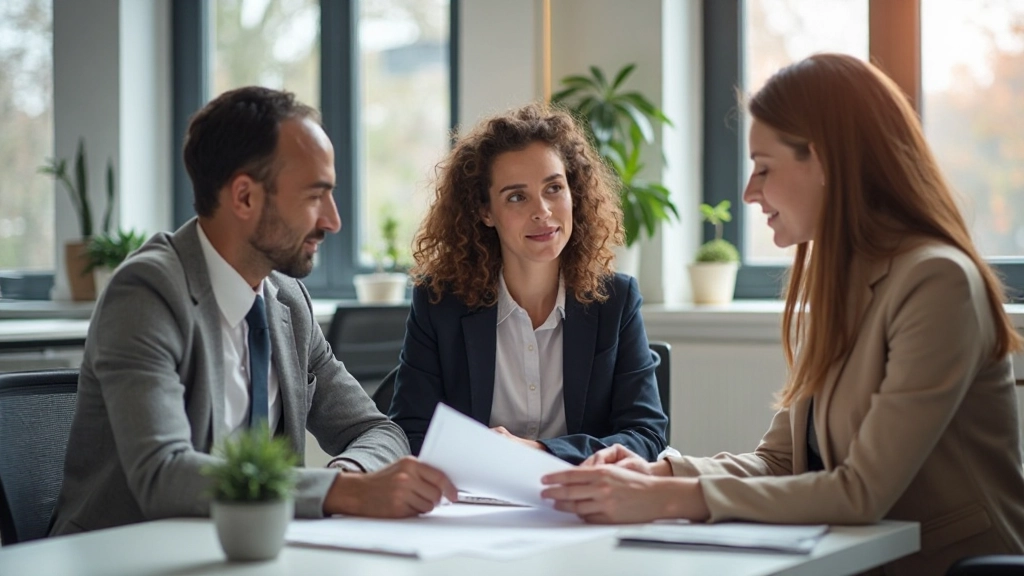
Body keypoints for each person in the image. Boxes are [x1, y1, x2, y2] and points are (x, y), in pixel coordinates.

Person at [540, 54, 1024, 574]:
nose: (749, 192)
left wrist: (665, 501)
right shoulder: (843, 281)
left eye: (764, 168)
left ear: (827, 163)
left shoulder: (937, 282)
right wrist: (658, 474)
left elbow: (861, 493)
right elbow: (780, 462)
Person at [51, 86, 455, 536]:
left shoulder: (286, 300)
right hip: (127, 556)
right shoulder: (147, 292)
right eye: (314, 196)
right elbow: (164, 475)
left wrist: (352, 475)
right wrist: (342, 493)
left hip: (253, 553)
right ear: (243, 197)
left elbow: (378, 431)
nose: (333, 220)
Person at [388, 102, 668, 465]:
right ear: (485, 211)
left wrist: (539, 451)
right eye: (517, 197)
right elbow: (410, 432)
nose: (543, 211)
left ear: (574, 193)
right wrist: (487, 455)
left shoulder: (615, 300)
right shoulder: (439, 302)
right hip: (475, 504)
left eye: (554, 188)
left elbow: (645, 435)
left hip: (581, 504)